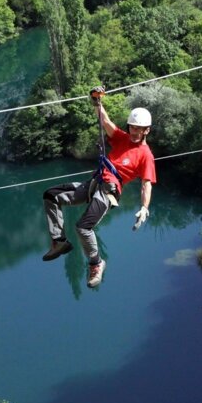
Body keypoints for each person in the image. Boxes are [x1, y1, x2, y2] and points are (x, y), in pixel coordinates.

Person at [42, 86, 157, 288]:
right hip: (94, 184)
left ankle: (96, 263)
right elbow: (104, 121)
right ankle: (59, 241)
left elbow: (146, 184)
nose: (136, 132)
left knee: (83, 227)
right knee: (51, 196)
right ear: (129, 127)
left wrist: (144, 208)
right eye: (133, 127)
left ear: (147, 130)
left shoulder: (146, 155)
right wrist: (97, 101)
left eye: (141, 129)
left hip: (109, 192)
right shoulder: (122, 138)